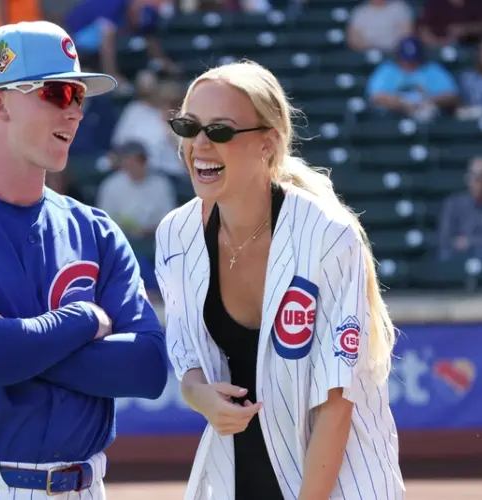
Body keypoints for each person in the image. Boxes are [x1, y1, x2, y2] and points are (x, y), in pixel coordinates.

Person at [0, 21, 168, 500]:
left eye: (80, 97)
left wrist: (13, 342)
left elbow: (146, 367)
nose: (76, 112)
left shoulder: (95, 229)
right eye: (59, 94)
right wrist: (80, 321)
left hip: (85, 486)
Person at [154, 60, 404, 500]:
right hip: (236, 471)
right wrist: (199, 396)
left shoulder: (328, 235)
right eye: (189, 126)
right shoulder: (175, 234)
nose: (200, 145)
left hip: (338, 479)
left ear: (267, 144)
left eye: (221, 131)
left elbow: (336, 401)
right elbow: (186, 356)